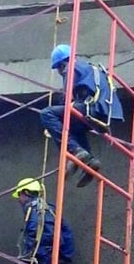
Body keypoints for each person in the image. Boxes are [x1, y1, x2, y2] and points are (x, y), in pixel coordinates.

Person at [39, 43, 124, 187]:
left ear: (64, 62)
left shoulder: (71, 68)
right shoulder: (92, 69)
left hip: (90, 109)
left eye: (59, 67)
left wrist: (53, 124)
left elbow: (67, 100)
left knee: (47, 114)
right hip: (103, 114)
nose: (60, 71)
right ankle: (90, 161)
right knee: (73, 126)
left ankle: (75, 151)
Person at [11, 177, 75, 264]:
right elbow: (67, 232)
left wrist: (28, 255)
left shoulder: (32, 208)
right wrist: (65, 258)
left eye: (20, 195)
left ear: (26, 193)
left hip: (37, 257)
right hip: (52, 259)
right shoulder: (51, 209)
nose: (19, 200)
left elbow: (34, 231)